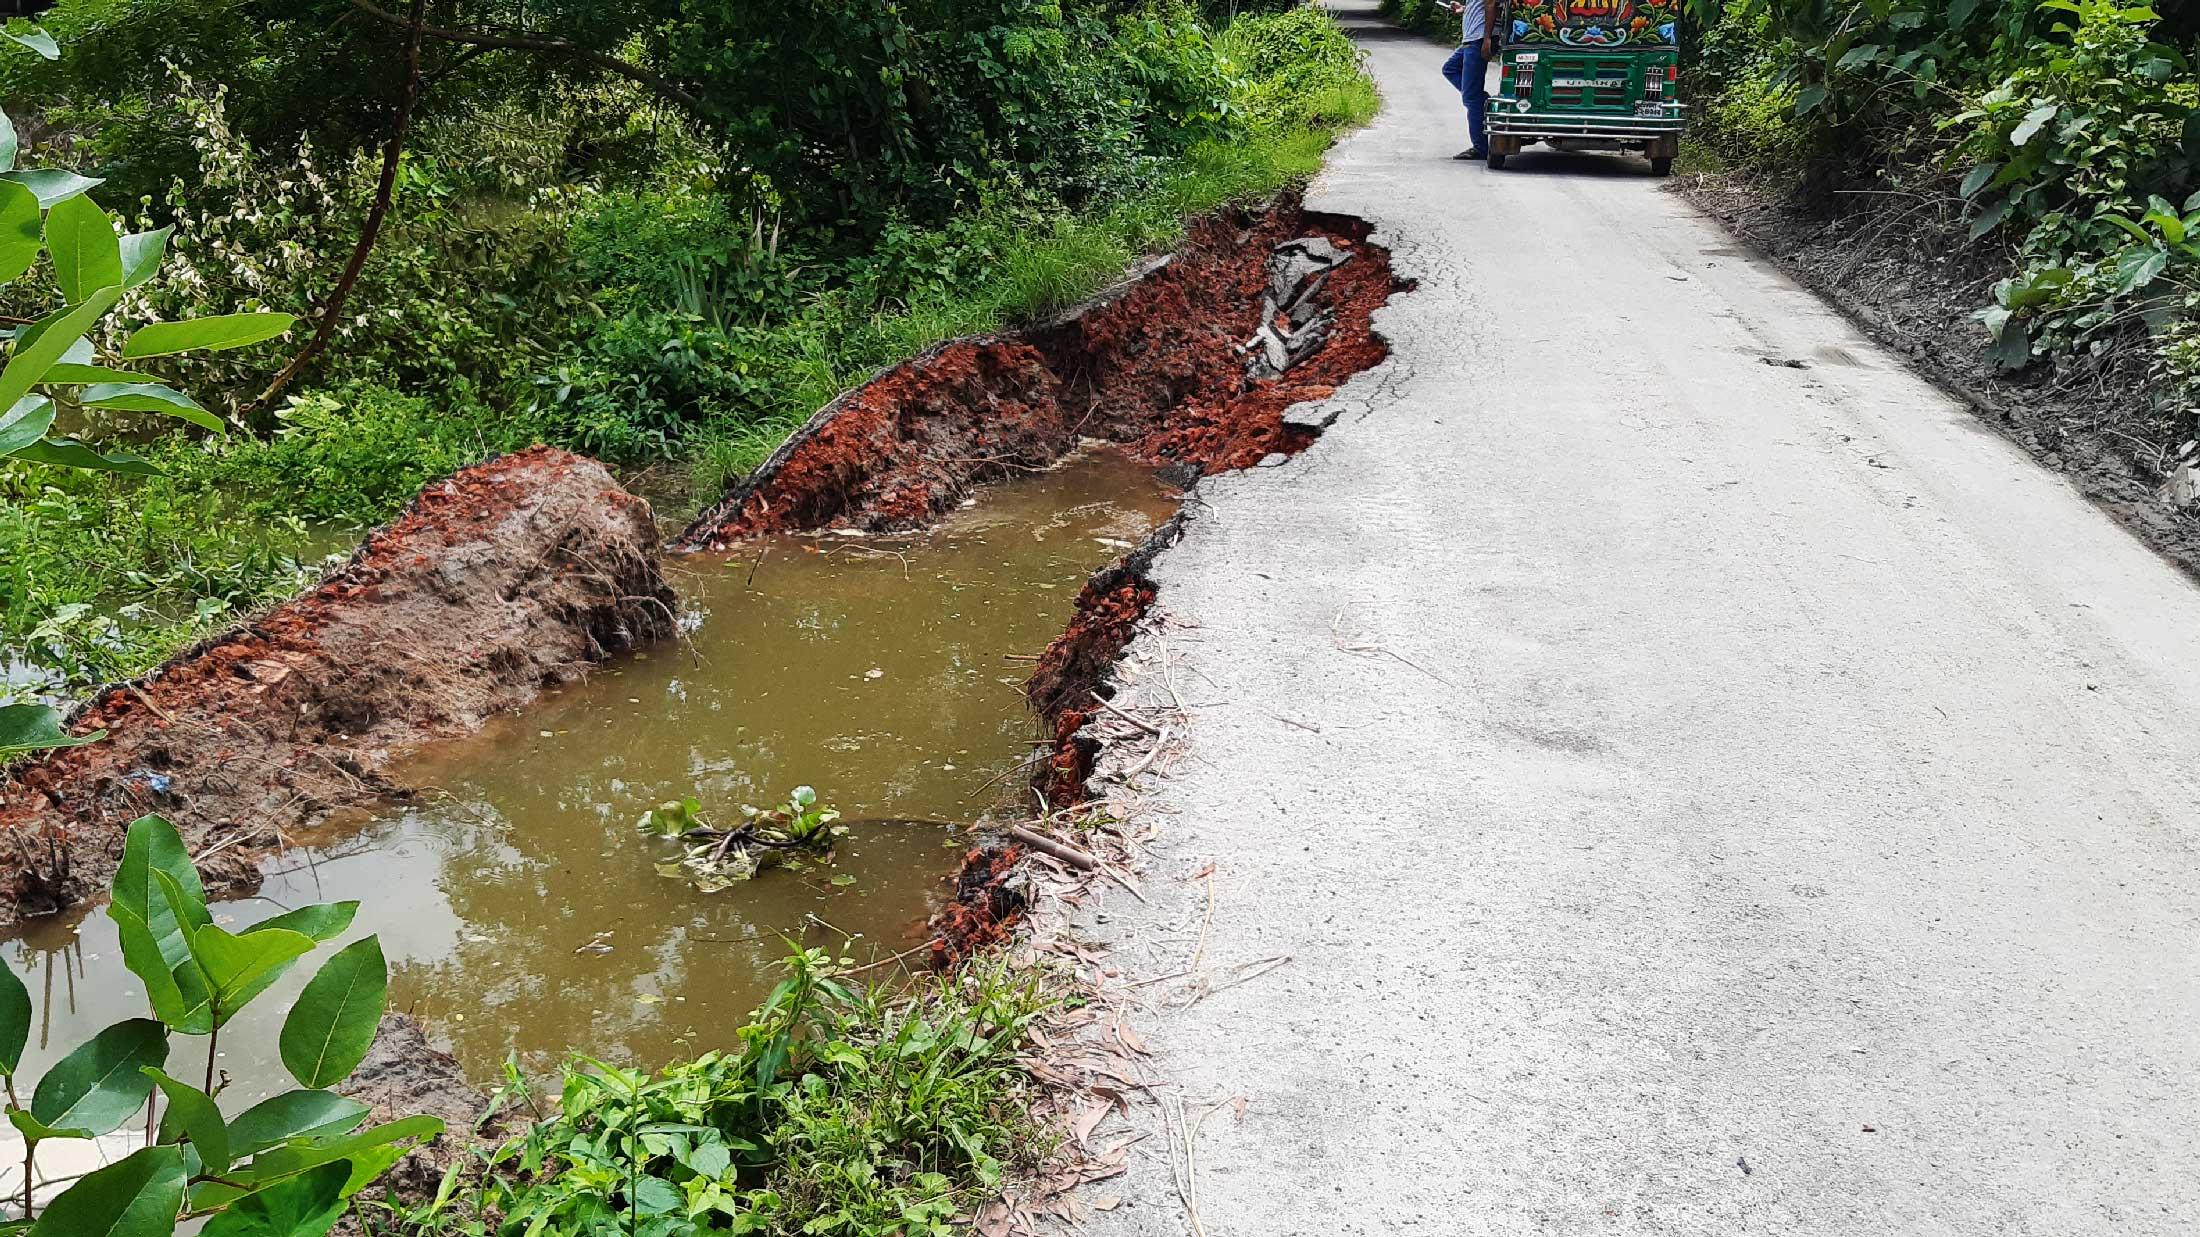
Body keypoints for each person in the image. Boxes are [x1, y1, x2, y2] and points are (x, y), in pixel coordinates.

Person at [1439, 0, 1495, 160]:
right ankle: (1483, 102)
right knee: (1450, 69)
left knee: (1471, 97)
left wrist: (1487, 39)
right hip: (1471, 39)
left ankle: (1481, 148)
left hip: (1477, 40)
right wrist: (1464, 9)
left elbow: (1491, 4)